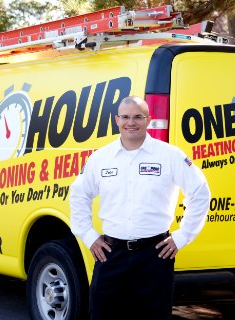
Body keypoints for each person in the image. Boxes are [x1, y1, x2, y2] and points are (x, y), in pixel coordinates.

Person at [70, 96, 211, 320]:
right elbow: (78, 195)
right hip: (110, 255)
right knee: (102, 315)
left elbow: (200, 192)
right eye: (125, 117)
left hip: (154, 256)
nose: (131, 122)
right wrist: (88, 236)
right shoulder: (100, 158)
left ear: (148, 120)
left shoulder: (170, 155)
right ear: (117, 120)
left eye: (138, 117)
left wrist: (182, 236)